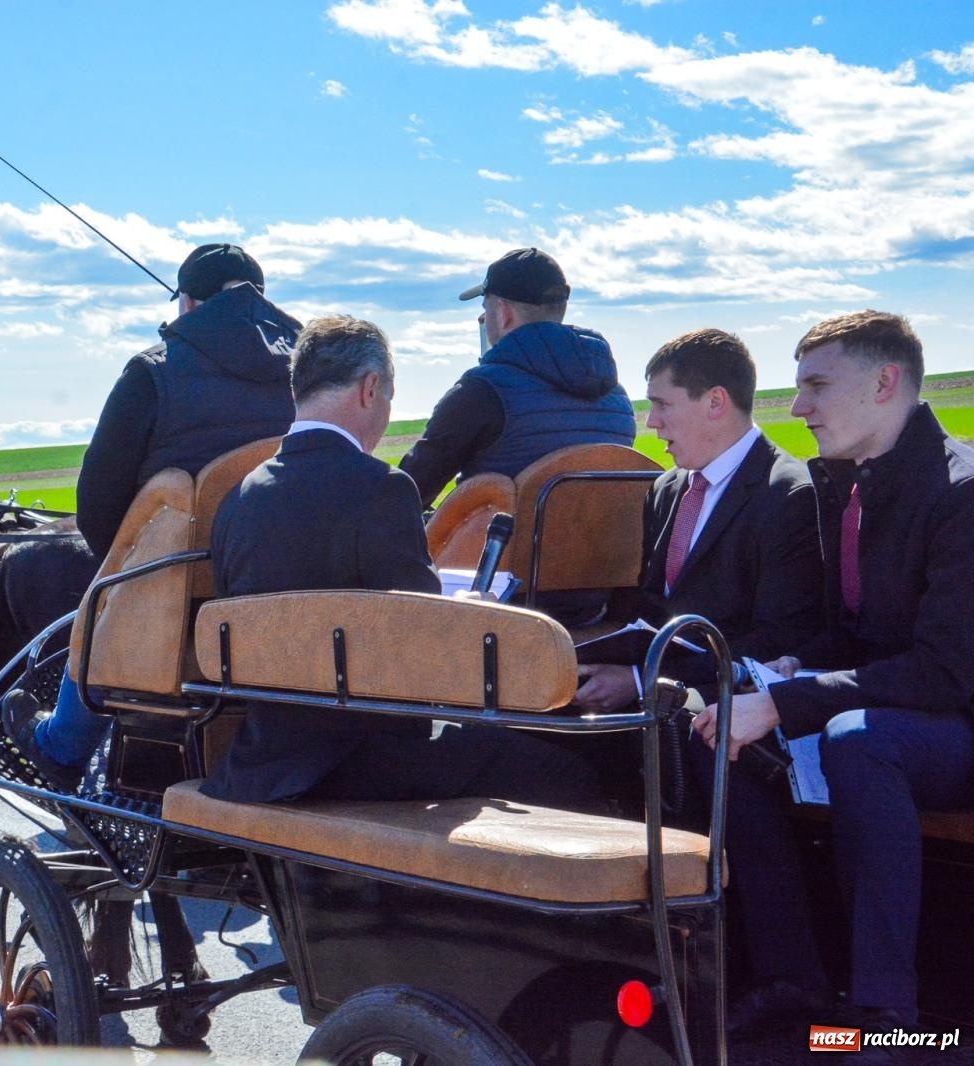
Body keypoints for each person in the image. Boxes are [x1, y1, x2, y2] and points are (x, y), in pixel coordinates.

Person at [689, 311, 974, 1048]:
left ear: (886, 383)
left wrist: (789, 701)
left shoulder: (960, 493)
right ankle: (796, 980)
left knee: (854, 740)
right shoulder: (846, 487)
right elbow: (858, 632)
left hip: (954, 725)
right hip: (898, 706)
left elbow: (945, 671)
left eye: (816, 385)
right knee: (720, 726)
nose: (797, 408)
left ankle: (887, 1018)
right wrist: (788, 670)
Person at [199, 315, 599, 808]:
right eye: (389, 397)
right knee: (572, 771)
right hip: (362, 762)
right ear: (370, 389)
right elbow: (424, 642)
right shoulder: (381, 488)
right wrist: (468, 613)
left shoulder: (237, 498)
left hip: (257, 763)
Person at [3, 244, 301, 789]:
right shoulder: (308, 369)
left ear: (187, 303)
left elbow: (97, 502)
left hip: (180, 591)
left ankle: (63, 744)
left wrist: (126, 567)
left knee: (109, 590)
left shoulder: (154, 371)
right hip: (285, 582)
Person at [573, 329, 824, 713]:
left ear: (715, 401)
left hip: (719, 715)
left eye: (662, 404)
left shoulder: (790, 496)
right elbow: (651, 610)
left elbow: (778, 640)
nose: (652, 422)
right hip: (648, 701)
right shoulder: (665, 489)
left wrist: (642, 681)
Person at [398, 247, 635, 506]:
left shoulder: (480, 392)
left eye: (485, 307)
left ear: (502, 312)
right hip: (608, 546)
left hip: (508, 546)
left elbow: (406, 494)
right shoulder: (617, 397)